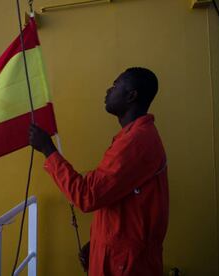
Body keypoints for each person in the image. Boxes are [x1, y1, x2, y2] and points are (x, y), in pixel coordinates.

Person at [29, 67, 169, 276]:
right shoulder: (134, 136)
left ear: (131, 96)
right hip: (116, 258)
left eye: (115, 86)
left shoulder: (136, 142)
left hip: (127, 266)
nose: (108, 91)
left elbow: (87, 195)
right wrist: (97, 244)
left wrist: (48, 150)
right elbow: (117, 199)